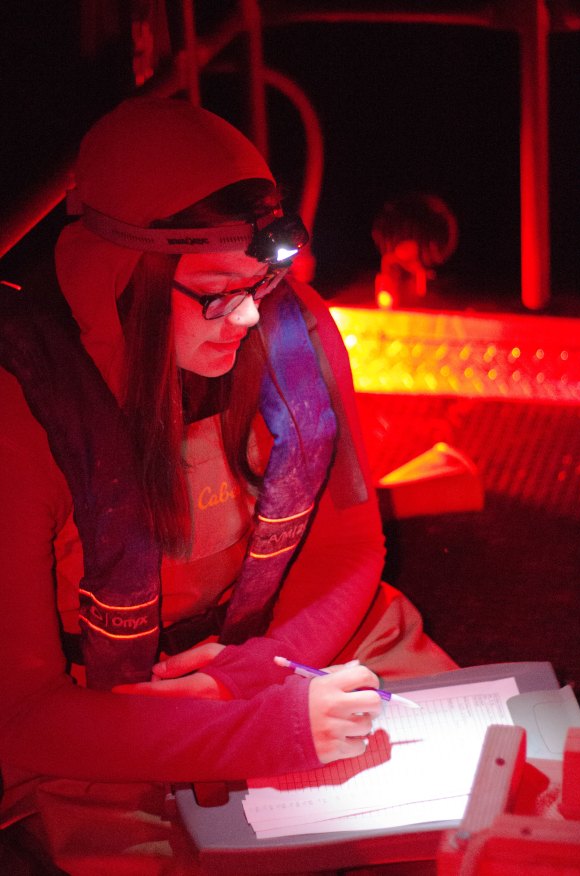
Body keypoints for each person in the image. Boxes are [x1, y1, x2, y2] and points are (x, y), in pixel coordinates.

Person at [0, 97, 455, 875]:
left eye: (261, 284)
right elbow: (21, 715)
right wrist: (257, 730)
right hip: (106, 712)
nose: (246, 318)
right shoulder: (20, 407)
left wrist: (255, 672)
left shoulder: (296, 327)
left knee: (500, 798)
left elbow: (352, 547)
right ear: (121, 278)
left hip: (292, 652)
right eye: (215, 291)